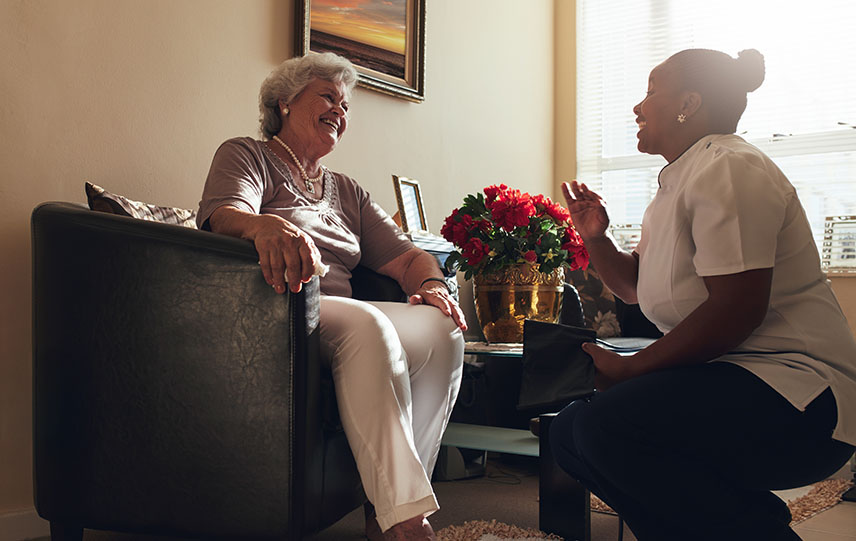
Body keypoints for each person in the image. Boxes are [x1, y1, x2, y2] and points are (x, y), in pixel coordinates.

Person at [550, 48, 856, 541]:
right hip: (729, 379)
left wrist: (632, 368)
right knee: (568, 432)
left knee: (605, 426)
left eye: (651, 91)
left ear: (688, 104)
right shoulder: (678, 182)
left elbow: (737, 309)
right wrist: (596, 237)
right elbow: (632, 287)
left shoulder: (732, 167)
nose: (637, 107)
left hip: (800, 396)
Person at [196, 52, 467, 541]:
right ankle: (405, 521)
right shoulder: (247, 154)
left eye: (345, 105)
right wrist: (265, 226)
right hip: (279, 303)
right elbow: (225, 214)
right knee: (370, 326)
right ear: (283, 103)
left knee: (440, 329)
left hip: (340, 309)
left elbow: (408, 258)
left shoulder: (346, 189)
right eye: (327, 97)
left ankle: (386, 509)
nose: (340, 112)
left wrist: (432, 286)